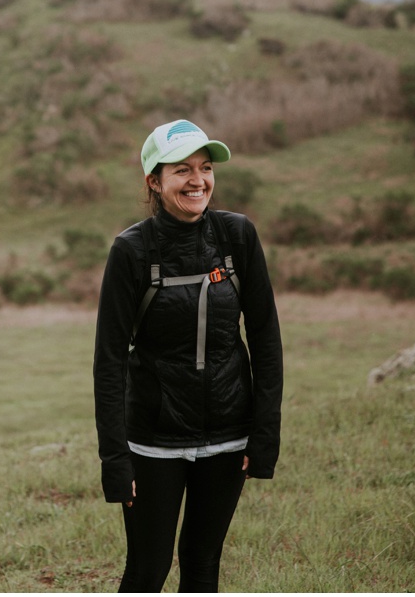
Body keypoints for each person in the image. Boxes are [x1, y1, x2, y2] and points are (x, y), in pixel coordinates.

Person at [92, 119, 283, 592]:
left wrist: (264, 432)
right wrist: (115, 458)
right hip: (152, 442)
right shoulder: (132, 251)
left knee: (202, 566)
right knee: (146, 572)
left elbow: (265, 338)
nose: (198, 180)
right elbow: (109, 360)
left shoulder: (237, 237)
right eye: (182, 170)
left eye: (205, 167)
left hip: (228, 437)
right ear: (154, 181)